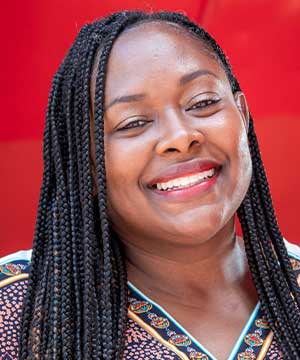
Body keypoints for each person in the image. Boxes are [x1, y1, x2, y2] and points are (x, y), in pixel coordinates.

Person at [0, 10, 300, 360]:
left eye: (202, 102)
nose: (180, 137)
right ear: (87, 164)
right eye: (134, 123)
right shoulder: (21, 308)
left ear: (242, 118)